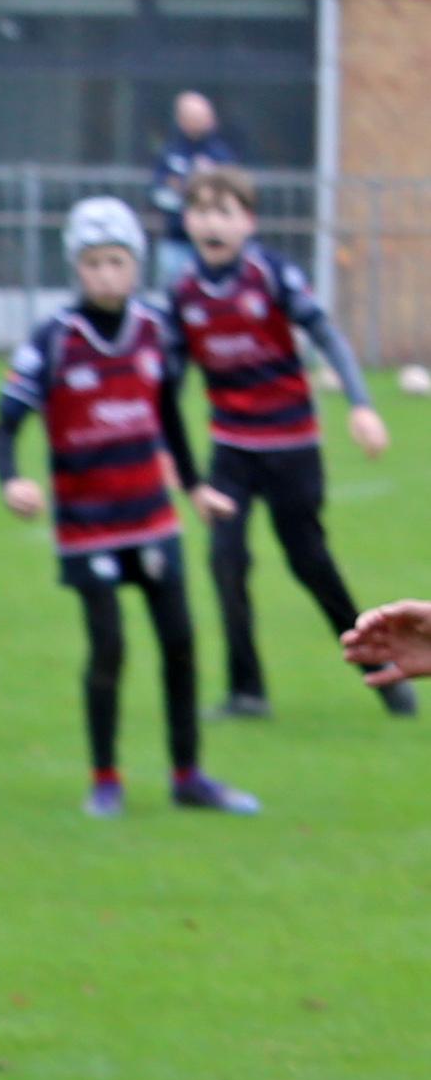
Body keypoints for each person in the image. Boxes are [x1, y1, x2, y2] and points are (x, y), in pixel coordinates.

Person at [0, 196, 253, 816]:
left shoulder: (155, 332)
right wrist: (11, 480)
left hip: (152, 518)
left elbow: (168, 415)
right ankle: (105, 778)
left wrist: (193, 488)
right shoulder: (55, 341)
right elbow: (4, 425)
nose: (106, 274)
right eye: (93, 263)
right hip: (89, 528)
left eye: (117, 261)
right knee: (108, 646)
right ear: (76, 269)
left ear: (135, 265)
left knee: (181, 642)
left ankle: (188, 776)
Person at [164, 165, 410, 723]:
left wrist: (362, 406)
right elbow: (168, 384)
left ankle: (382, 671)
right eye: (201, 211)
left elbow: (326, 335)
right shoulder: (182, 294)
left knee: (310, 564)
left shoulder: (271, 275)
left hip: (293, 445)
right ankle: (247, 692)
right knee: (226, 561)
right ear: (187, 222)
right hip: (231, 450)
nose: (211, 223)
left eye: (224, 212)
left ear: (247, 222)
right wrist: (160, 449)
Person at [144, 91, 246, 232]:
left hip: (214, 233)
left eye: (201, 116)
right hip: (176, 233)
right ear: (181, 119)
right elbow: (157, 186)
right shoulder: (170, 151)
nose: (198, 121)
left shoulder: (221, 154)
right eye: (192, 117)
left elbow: (233, 188)